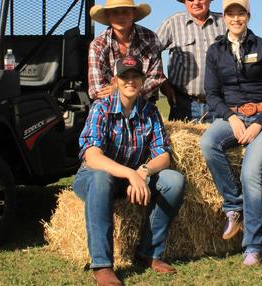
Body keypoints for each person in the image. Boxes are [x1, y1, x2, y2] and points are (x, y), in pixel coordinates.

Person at [73, 56, 186, 286]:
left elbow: (163, 155)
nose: (130, 81)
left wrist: (143, 171)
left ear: (143, 80)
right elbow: (92, 156)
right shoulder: (101, 108)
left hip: (131, 177)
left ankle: (149, 252)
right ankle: (102, 264)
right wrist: (129, 173)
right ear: (115, 81)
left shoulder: (150, 111)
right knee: (102, 178)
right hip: (94, 177)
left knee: (174, 180)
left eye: (136, 76)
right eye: (125, 76)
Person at [199, 0, 262, 266]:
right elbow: (211, 94)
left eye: (241, 13)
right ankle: (234, 207)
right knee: (207, 143)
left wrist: (259, 124)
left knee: (250, 173)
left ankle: (254, 246)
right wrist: (230, 117)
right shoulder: (215, 51)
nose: (236, 18)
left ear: (249, 16)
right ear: (223, 17)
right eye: (230, 13)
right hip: (232, 116)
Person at [157, 0, 226, 122]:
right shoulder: (173, 22)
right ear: (184, 0)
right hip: (183, 103)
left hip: (220, 103)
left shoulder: (224, 23)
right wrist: (162, 82)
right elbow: (150, 52)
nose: (196, 2)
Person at [88, 0, 165, 101]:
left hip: (143, 102)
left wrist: (119, 88)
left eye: (125, 11)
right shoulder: (98, 45)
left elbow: (156, 78)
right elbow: (96, 90)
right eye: (115, 12)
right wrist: (130, 89)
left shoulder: (150, 38)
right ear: (108, 16)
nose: (120, 16)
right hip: (109, 105)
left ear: (133, 14)